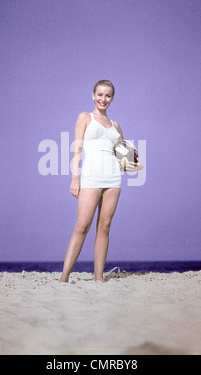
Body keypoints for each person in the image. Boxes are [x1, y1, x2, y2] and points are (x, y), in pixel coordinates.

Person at [60, 80, 142, 282]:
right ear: (93, 95)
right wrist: (75, 178)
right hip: (91, 177)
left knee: (104, 227)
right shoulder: (85, 117)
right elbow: (77, 150)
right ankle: (63, 278)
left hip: (114, 178)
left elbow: (126, 157)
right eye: (99, 94)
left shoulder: (115, 125)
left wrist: (136, 164)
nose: (103, 99)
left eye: (107, 96)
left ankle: (99, 278)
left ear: (112, 98)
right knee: (82, 226)